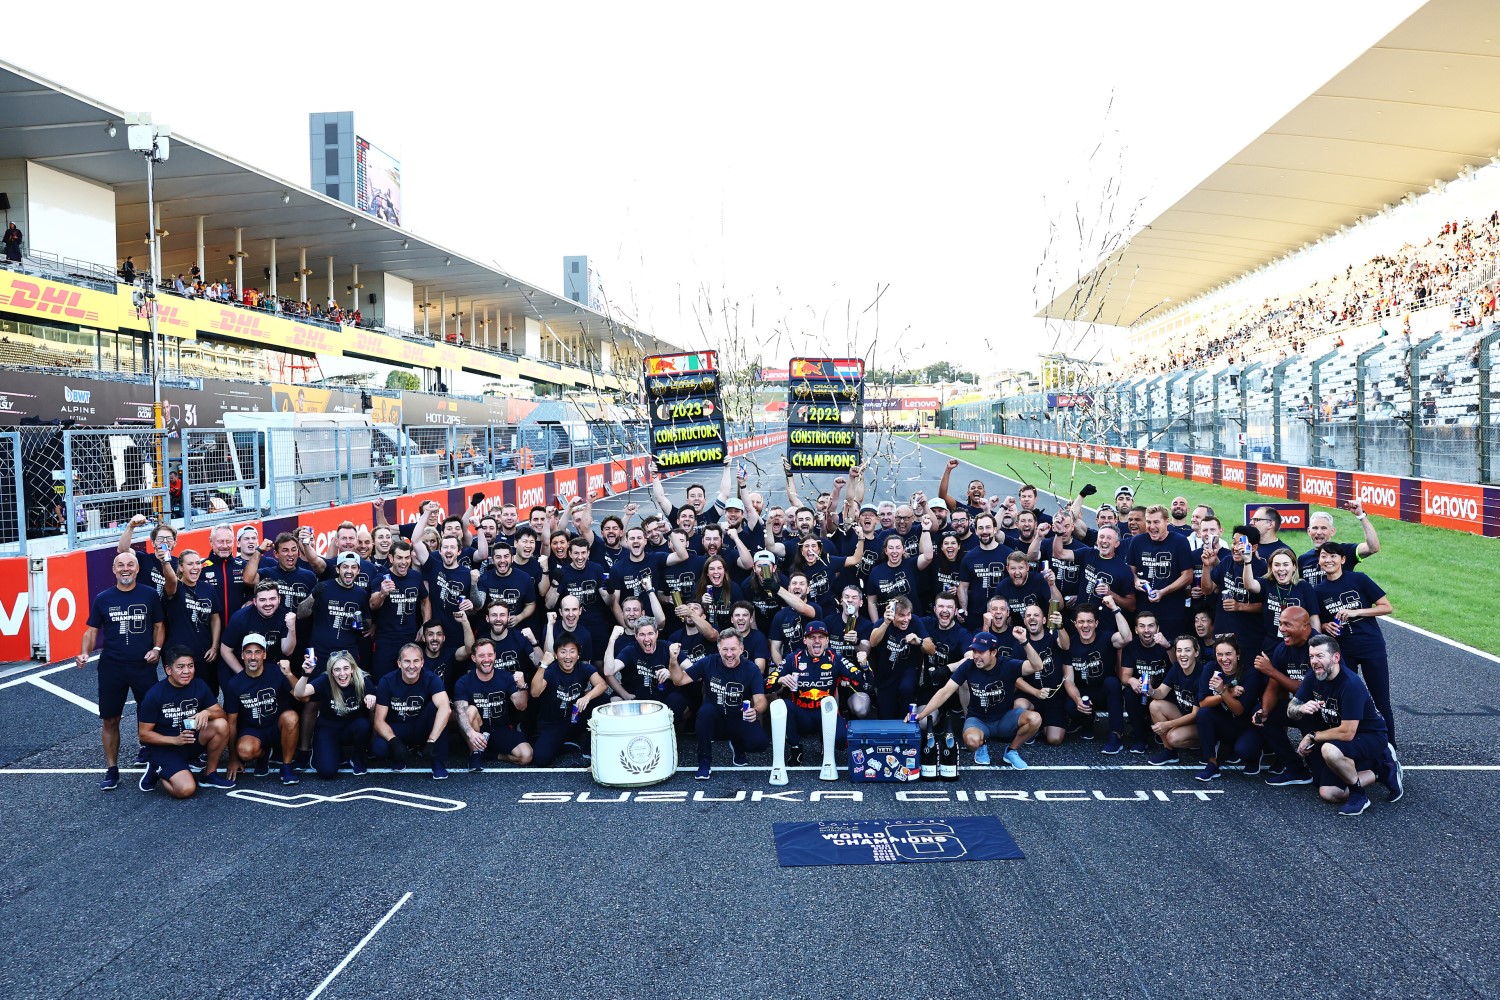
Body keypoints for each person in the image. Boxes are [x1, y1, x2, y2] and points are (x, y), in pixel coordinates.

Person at [77, 550, 165, 791]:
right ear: (113, 570)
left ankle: (150, 758)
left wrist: (157, 648)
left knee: (150, 715)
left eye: (130, 565)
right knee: (110, 719)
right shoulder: (103, 598)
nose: (125, 568)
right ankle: (112, 769)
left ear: (137, 569)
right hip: (111, 667)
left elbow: (159, 625)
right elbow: (91, 630)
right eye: (120, 565)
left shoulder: (149, 595)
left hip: (142, 666)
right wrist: (85, 651)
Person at [1288, 635, 1402, 816]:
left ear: (1335, 657)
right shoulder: (1313, 676)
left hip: (1369, 736)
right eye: (1311, 657)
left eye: (1320, 656)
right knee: (1328, 792)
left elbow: (1348, 733)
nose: (1314, 662)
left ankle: (1359, 796)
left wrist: (1312, 736)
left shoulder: (1350, 685)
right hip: (1340, 736)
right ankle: (1382, 771)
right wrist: (1301, 707)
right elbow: (1291, 709)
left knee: (1329, 750)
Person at [916, 629, 1043, 769]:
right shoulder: (968, 666)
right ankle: (981, 746)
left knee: (1035, 719)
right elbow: (945, 692)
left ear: (993, 652)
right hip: (979, 720)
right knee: (971, 741)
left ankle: (1011, 751)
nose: (976, 656)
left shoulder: (1007, 665)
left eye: (981, 652)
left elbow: (1038, 666)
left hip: (1004, 718)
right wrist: (921, 714)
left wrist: (1024, 641)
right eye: (974, 651)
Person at [1311, 541, 1397, 745]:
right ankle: (1350, 743)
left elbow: (1386, 607)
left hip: (1371, 646)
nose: (1328, 560)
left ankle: (1390, 748)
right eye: (1324, 556)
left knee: (1381, 700)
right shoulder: (1318, 590)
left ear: (1342, 560)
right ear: (1319, 561)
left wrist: (1357, 611)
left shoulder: (1358, 579)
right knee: (1345, 700)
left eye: (1333, 556)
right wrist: (1325, 627)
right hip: (1343, 651)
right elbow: (1318, 622)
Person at [669, 630, 768, 779]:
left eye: (733, 649)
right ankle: (704, 762)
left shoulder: (751, 669)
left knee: (760, 743)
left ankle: (737, 744)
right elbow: (680, 680)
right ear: (718, 649)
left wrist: (756, 710)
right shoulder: (708, 662)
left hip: (738, 717)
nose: (729, 654)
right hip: (715, 720)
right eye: (725, 649)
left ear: (741, 649)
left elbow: (761, 700)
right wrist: (673, 661)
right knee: (705, 712)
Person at [766, 620, 869, 761]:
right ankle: (795, 748)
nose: (816, 641)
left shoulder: (835, 659)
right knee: (783, 704)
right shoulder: (793, 658)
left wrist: (864, 666)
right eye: (812, 637)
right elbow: (766, 685)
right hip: (802, 715)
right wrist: (779, 680)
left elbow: (864, 683)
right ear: (804, 640)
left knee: (841, 741)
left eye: (821, 637)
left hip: (826, 713)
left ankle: (825, 743)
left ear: (827, 640)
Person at [136, 647, 233, 797]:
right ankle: (157, 770)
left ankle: (209, 774)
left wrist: (206, 712)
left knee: (221, 724)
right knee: (185, 789)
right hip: (165, 748)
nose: (187, 671)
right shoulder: (155, 694)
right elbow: (144, 734)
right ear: (168, 670)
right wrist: (175, 740)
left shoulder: (199, 685)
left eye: (190, 666)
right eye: (180, 667)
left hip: (190, 740)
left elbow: (220, 713)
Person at [221, 634, 302, 785]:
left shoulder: (277, 671)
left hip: (278, 726)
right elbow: (231, 723)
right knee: (244, 751)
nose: (253, 657)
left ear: (264, 654)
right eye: (248, 652)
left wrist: (289, 674)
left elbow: (302, 697)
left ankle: (287, 766)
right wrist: (233, 758)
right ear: (242, 655)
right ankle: (263, 754)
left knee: (291, 717)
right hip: (253, 730)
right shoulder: (234, 684)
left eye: (257, 652)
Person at [1255, 607, 1317, 785]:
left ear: (1305, 626)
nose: (1281, 628)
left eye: (1287, 624)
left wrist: (1271, 671)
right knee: (1265, 716)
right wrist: (1265, 710)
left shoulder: (1318, 647)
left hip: (1323, 714)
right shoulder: (1283, 648)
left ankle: (1382, 767)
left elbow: (1307, 690)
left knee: (1325, 783)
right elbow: (1273, 686)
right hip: (1301, 709)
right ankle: (1295, 768)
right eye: (1281, 623)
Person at [372, 643, 453, 779]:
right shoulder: (387, 681)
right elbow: (378, 721)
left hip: (421, 726)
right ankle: (399, 755)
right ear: (399, 663)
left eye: (416, 661)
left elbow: (446, 709)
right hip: (398, 727)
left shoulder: (432, 679)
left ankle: (437, 762)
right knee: (379, 748)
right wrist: (394, 741)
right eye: (407, 661)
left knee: (437, 708)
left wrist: (431, 740)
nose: (411, 666)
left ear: (422, 663)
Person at [453, 637, 533, 770]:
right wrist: (470, 733)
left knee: (526, 756)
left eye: (490, 655)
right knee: (470, 710)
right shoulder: (464, 681)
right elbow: (460, 712)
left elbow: (521, 705)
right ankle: (475, 753)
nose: (486, 659)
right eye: (481, 656)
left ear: (495, 656)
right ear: (474, 658)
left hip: (499, 729)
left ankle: (491, 755)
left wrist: (522, 686)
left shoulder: (506, 677)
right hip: (475, 730)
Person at [293, 650, 375, 778]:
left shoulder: (362, 679)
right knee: (327, 772)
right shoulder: (325, 680)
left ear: (352, 669)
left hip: (351, 728)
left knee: (363, 725)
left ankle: (357, 756)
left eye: (346, 668)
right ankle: (329, 751)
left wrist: (372, 698)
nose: (342, 674)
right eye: (337, 670)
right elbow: (299, 693)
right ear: (331, 672)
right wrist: (305, 674)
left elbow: (375, 699)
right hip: (328, 728)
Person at [1193, 637, 1264, 782]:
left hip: (1245, 725)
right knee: (1204, 714)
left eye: (1228, 654)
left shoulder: (1249, 673)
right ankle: (1212, 764)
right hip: (1225, 722)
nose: (1224, 659)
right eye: (1220, 654)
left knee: (1244, 751)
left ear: (1237, 654)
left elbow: (1239, 710)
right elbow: (1203, 703)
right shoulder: (1210, 668)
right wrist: (1226, 692)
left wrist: (1223, 692)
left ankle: (1256, 753)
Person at [529, 636, 606, 766]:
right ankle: (564, 744)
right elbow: (534, 693)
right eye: (563, 651)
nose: (568, 656)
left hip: (575, 717)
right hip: (553, 723)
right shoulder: (550, 670)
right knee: (541, 759)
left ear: (578, 654)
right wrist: (543, 665)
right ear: (556, 654)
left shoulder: (583, 668)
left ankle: (589, 748)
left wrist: (587, 696)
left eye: (572, 651)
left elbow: (602, 685)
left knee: (602, 699)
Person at [160, 548, 223, 695]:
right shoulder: (174, 588)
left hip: (205, 654)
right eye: (190, 564)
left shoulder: (208, 589)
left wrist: (214, 646)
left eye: (197, 563)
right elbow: (171, 579)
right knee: (182, 697)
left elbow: (215, 618)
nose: (195, 567)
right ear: (181, 567)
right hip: (179, 656)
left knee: (208, 695)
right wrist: (165, 561)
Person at [868, 597, 934, 720]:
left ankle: (907, 731)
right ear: (893, 615)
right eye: (901, 615)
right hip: (886, 675)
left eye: (908, 614)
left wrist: (918, 641)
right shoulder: (883, 622)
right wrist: (886, 623)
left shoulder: (915, 621)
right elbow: (873, 642)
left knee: (906, 689)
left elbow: (931, 649)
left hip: (908, 671)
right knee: (886, 717)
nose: (906, 619)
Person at [1146, 636, 1204, 765]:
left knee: (1173, 737)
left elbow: (1195, 715)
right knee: (1155, 705)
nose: (1182, 654)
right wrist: (1150, 690)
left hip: (1202, 723)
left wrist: (1167, 725)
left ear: (1196, 652)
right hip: (1184, 715)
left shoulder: (1202, 674)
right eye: (1179, 650)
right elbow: (1160, 693)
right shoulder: (1177, 667)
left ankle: (1208, 743)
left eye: (1187, 650)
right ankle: (1169, 752)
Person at [1299, 500, 1381, 587]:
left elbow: (1373, 547)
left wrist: (1361, 516)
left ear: (1332, 531)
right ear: (1309, 531)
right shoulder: (1303, 560)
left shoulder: (1345, 551)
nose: (1319, 532)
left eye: (1324, 528)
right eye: (1315, 528)